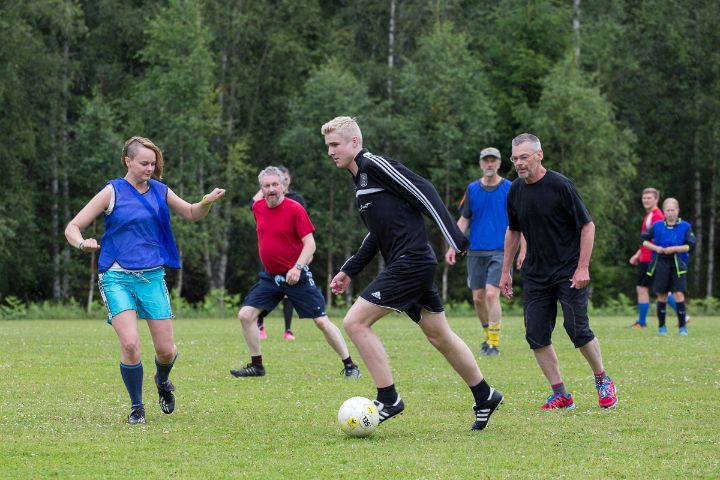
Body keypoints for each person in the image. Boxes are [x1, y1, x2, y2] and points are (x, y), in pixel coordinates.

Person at [323, 116, 503, 431]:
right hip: (410, 264)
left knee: (355, 322)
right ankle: (485, 395)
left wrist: (454, 236)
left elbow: (423, 189)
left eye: (335, 144)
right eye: (328, 146)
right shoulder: (360, 182)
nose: (330, 152)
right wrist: (349, 269)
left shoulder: (374, 165)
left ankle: (388, 398)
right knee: (439, 335)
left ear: (354, 142)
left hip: (412, 262)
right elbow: (378, 235)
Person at [64, 136, 225, 425]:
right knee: (130, 344)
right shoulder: (112, 191)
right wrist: (81, 243)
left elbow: (191, 213)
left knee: (166, 351)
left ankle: (162, 381)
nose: (150, 168)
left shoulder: (160, 190)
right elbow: (73, 226)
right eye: (144, 163)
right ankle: (137, 407)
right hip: (116, 277)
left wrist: (206, 203)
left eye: (153, 163)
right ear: (128, 161)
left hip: (151, 277)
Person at [500, 133, 617, 410]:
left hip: (568, 271)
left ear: (539, 155)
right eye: (515, 158)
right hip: (535, 274)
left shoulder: (561, 185)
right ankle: (560, 394)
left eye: (524, 157)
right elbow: (513, 230)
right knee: (536, 334)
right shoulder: (515, 190)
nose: (519, 163)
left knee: (577, 329)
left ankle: (603, 379)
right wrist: (505, 271)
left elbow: (587, 226)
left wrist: (583, 267)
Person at [230, 166, 360, 379]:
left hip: (296, 276)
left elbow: (310, 244)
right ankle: (257, 366)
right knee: (245, 315)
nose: (271, 189)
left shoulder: (295, 209)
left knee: (321, 321)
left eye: (275, 184)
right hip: (271, 278)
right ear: (261, 189)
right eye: (266, 186)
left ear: (283, 186)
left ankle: (350, 365)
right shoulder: (258, 208)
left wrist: (297, 267)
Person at [445, 147, 525, 356]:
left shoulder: (509, 187)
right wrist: (452, 245)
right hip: (476, 251)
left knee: (491, 294)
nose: (489, 164)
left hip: (501, 251)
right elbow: (464, 220)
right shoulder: (472, 189)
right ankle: (487, 337)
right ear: (481, 164)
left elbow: (522, 221)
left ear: (499, 163)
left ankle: (494, 344)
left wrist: (523, 250)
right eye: (486, 161)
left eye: (493, 160)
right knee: (478, 298)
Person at [252, 166, 305, 341]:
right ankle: (260, 325)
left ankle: (288, 330)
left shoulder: (296, 201)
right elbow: (253, 204)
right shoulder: (263, 202)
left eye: (279, 182)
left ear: (285, 182)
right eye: (267, 184)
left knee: (289, 294)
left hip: (292, 258)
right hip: (270, 258)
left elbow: (306, 233)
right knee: (262, 294)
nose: (272, 187)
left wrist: (305, 256)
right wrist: (265, 187)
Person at [628, 188, 685, 328]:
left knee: (645, 288)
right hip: (646, 256)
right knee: (660, 289)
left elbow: (661, 238)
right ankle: (683, 316)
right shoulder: (650, 215)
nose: (646, 200)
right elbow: (647, 239)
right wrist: (638, 254)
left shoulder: (657, 216)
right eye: (644, 198)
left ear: (656, 200)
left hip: (651, 258)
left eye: (649, 198)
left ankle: (642, 322)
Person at [640, 198, 696, 336]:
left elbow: (691, 246)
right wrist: (656, 248)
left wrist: (675, 248)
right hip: (661, 262)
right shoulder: (657, 225)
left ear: (677, 210)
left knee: (678, 294)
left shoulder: (685, 226)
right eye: (668, 210)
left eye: (673, 210)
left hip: (678, 263)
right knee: (662, 295)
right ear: (664, 212)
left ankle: (682, 328)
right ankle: (662, 327)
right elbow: (643, 240)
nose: (670, 213)